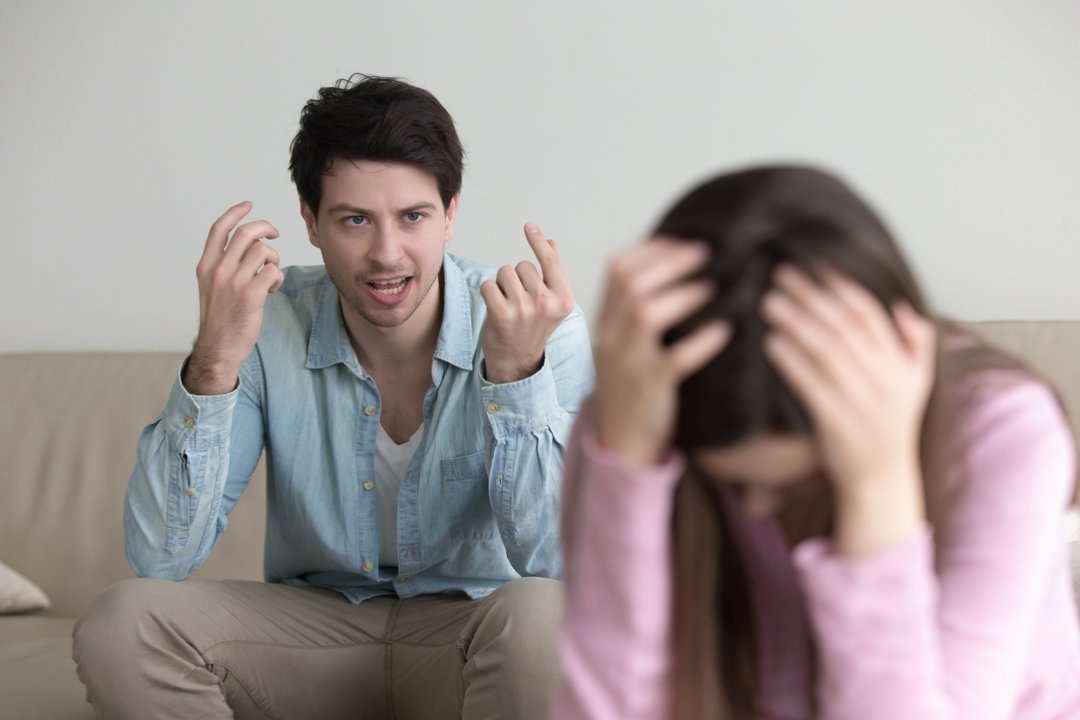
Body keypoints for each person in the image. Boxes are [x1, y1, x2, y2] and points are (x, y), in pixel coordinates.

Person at [73, 74, 593, 720]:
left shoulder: (541, 325)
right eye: (354, 220)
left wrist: (515, 378)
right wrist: (215, 359)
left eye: (413, 217)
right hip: (311, 633)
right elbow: (159, 557)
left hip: (471, 635)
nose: (386, 254)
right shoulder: (265, 322)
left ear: (450, 215)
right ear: (311, 222)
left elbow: (562, 563)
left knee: (549, 617)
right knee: (123, 621)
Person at [553, 165, 1080, 719]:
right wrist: (627, 467)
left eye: (797, 486)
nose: (757, 509)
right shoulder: (636, 408)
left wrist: (876, 484)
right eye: (732, 485)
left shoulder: (1005, 432)